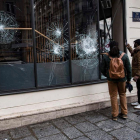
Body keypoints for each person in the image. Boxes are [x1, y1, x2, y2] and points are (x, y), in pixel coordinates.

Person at [101, 41, 132, 121]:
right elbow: (129, 69)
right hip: (122, 79)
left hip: (111, 79)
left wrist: (107, 75)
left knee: (113, 96)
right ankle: (124, 113)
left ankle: (115, 115)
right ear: (118, 46)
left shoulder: (106, 56)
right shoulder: (124, 55)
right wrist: (128, 80)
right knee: (122, 94)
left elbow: (102, 69)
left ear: (109, 47)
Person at [126, 39, 140, 109]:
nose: (134, 44)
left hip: (139, 74)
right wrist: (129, 47)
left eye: (134, 43)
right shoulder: (136, 51)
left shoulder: (139, 52)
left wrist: (137, 75)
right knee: (138, 88)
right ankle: (138, 101)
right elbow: (132, 53)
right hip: (137, 73)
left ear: (137, 44)